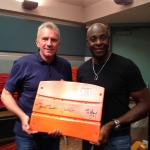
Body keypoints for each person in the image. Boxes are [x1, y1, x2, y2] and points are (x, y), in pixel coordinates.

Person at [77, 23, 150, 150]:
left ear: (108, 40)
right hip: (88, 138)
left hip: (118, 140)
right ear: (87, 42)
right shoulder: (82, 70)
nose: (98, 42)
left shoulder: (126, 66)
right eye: (93, 39)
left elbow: (145, 104)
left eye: (103, 37)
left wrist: (112, 124)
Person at [1, 21, 72, 150]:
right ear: (37, 42)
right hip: (26, 135)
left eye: (54, 40)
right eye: (45, 39)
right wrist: (22, 116)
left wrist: (61, 124)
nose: (49, 43)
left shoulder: (65, 66)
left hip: (53, 135)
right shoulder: (22, 63)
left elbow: (66, 101)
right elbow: (5, 95)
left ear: (58, 44)